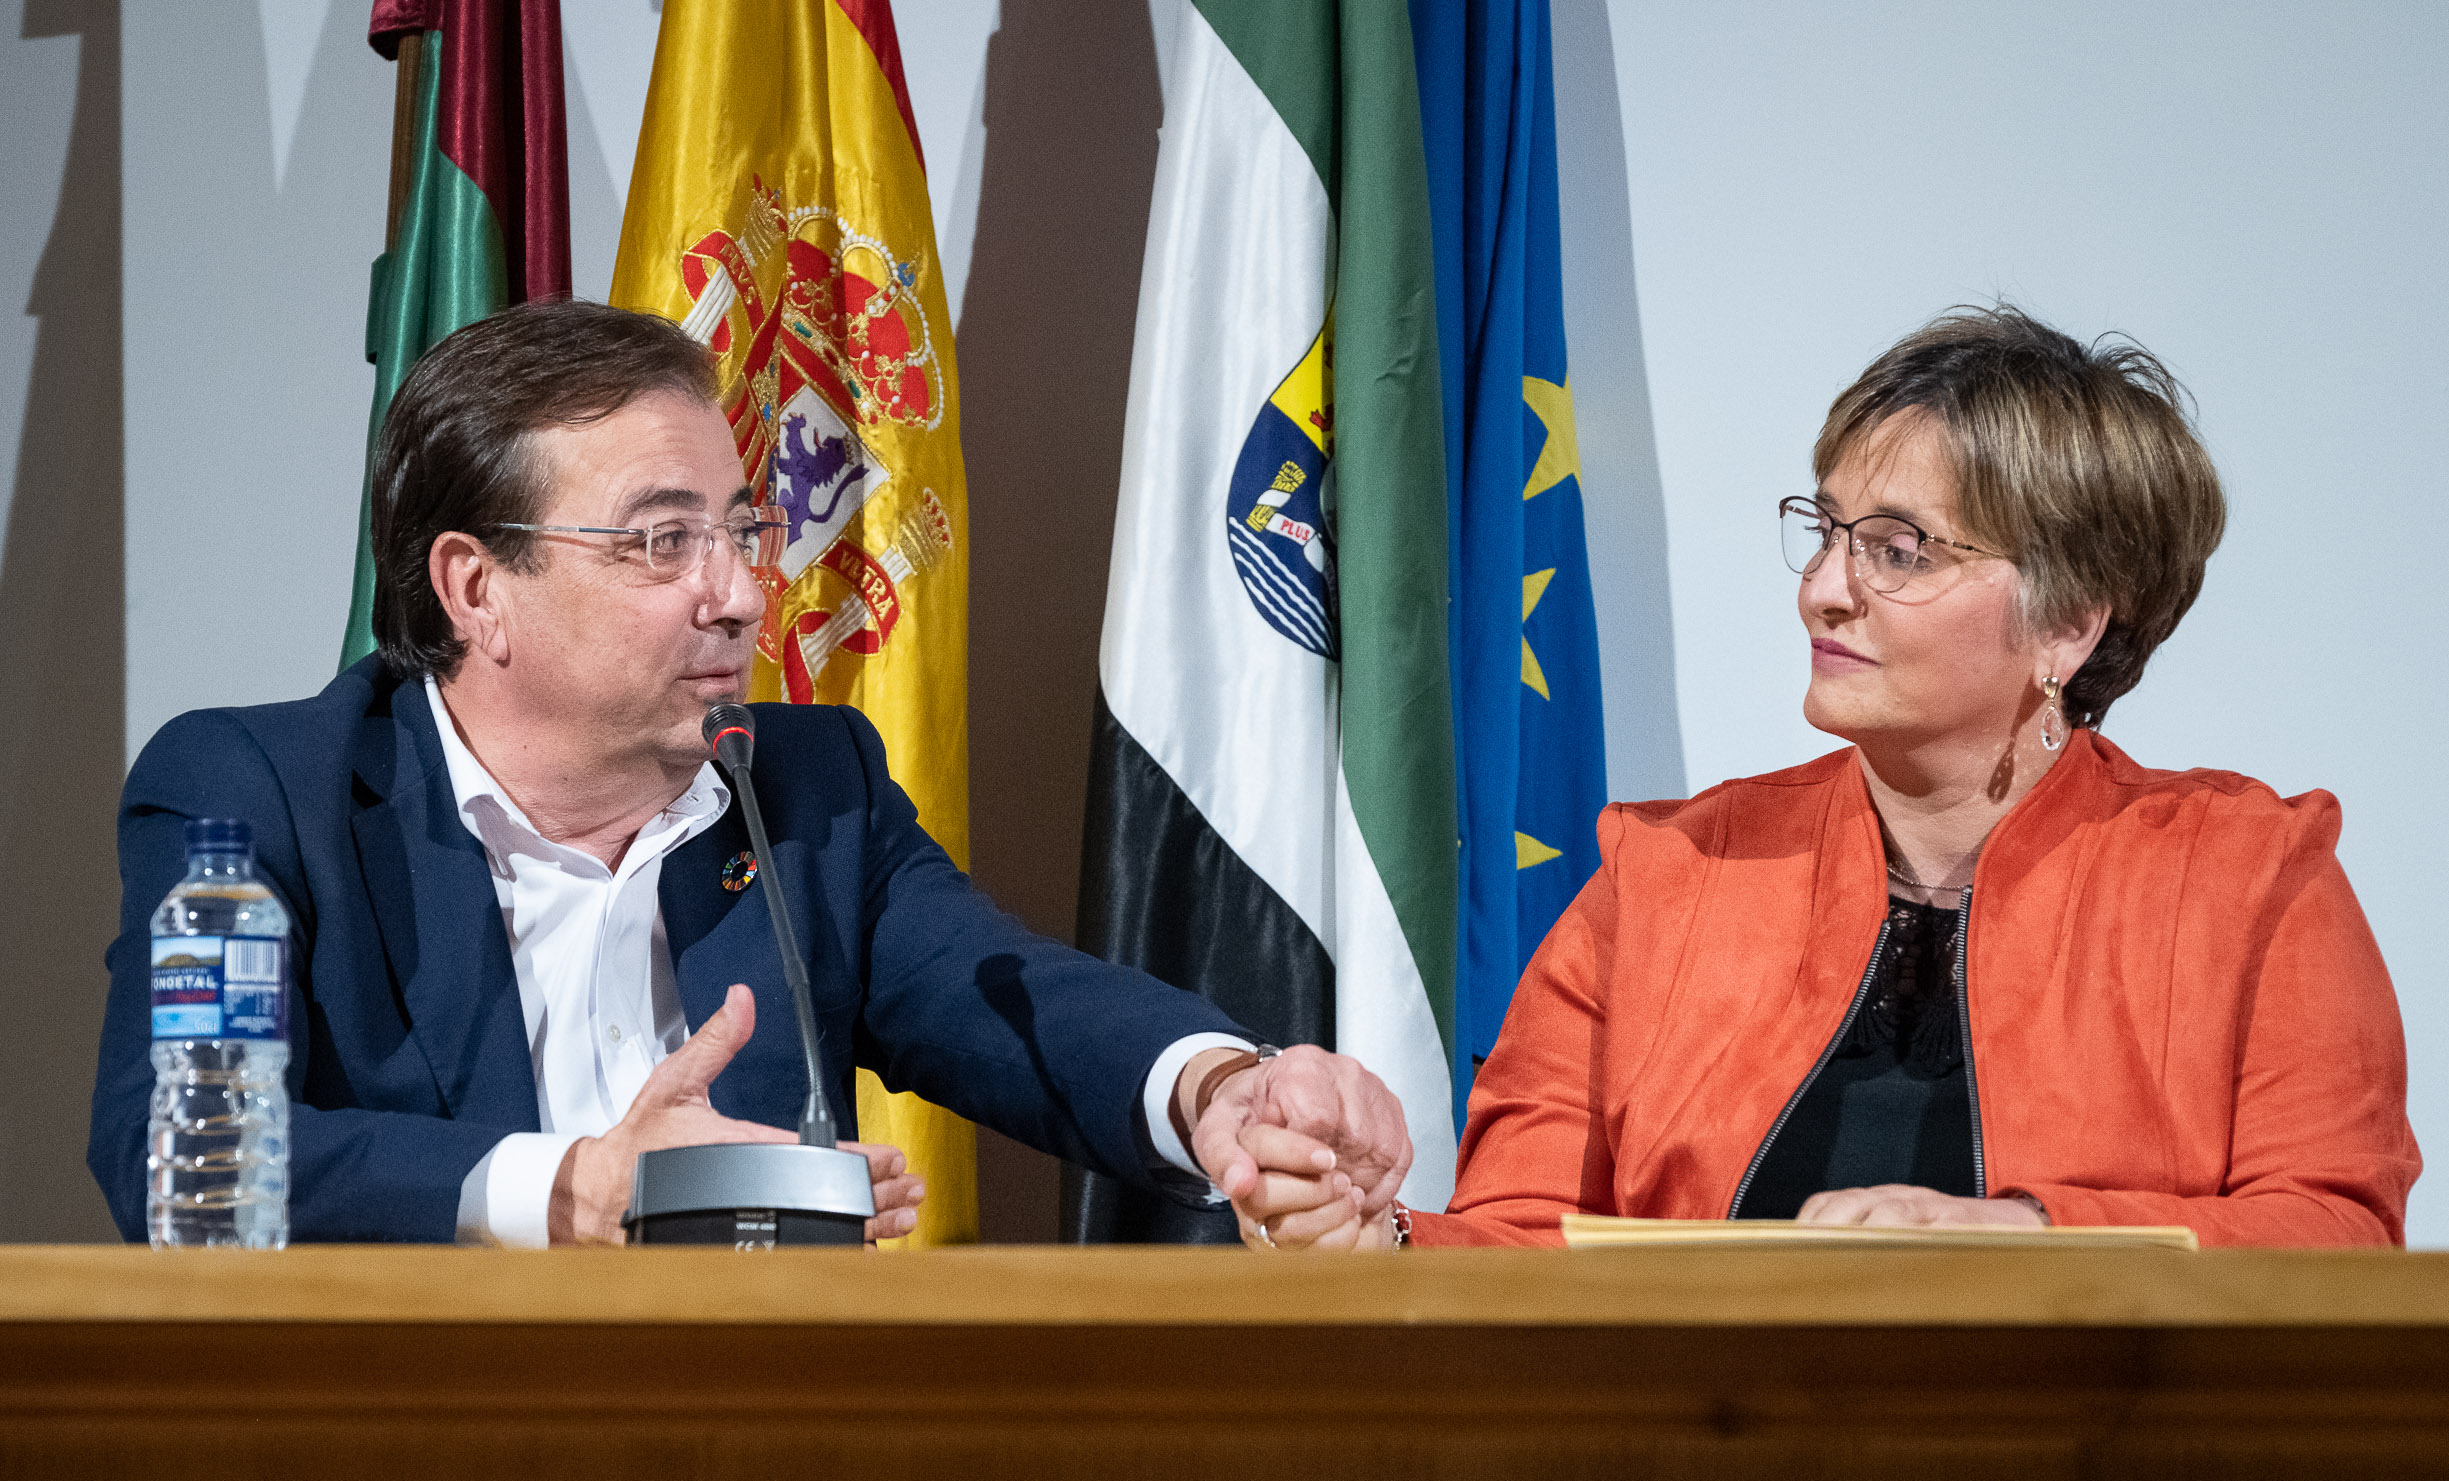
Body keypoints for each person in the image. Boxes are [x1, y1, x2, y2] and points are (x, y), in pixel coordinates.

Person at [89, 299, 1411, 1245]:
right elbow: (182, 1154)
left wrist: (1220, 1090)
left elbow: (1007, 997)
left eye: (743, 532)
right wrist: (575, 1189)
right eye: (663, 545)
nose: (737, 596)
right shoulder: (258, 791)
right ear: (477, 586)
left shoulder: (811, 787)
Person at [1231, 304, 2419, 1250]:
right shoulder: (1667, 878)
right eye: (1827, 528)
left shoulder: (2251, 878)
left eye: (1897, 550)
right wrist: (1370, 1238)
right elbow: (1526, 1246)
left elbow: (2330, 1230)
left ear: (2068, 624)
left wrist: (2018, 1238)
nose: (1822, 588)